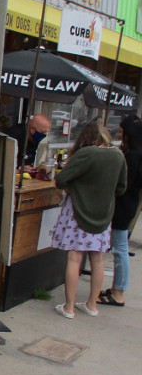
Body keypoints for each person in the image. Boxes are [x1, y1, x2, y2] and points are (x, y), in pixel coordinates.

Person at [50, 121, 127, 319]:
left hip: (78, 211)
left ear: (84, 136)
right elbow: (121, 188)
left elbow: (62, 179)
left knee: (74, 258)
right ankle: (92, 305)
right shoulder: (118, 155)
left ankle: (69, 307)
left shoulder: (86, 153)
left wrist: (78, 187)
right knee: (97, 259)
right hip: (103, 214)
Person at [101, 115, 142, 307]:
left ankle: (119, 292)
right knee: (119, 248)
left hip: (123, 206)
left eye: (121, 131)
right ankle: (117, 288)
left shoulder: (132, 156)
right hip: (128, 205)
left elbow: (124, 184)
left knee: (119, 249)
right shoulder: (136, 153)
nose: (119, 134)